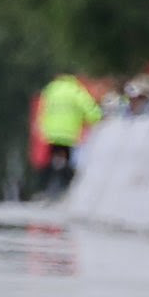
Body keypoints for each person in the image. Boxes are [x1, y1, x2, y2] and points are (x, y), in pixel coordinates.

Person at [35, 70, 101, 200]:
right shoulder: (75, 90)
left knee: (53, 161)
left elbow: (42, 110)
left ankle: (47, 189)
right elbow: (89, 109)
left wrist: (41, 127)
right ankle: (65, 189)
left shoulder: (51, 89)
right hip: (68, 133)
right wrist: (98, 118)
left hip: (52, 133)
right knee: (67, 161)